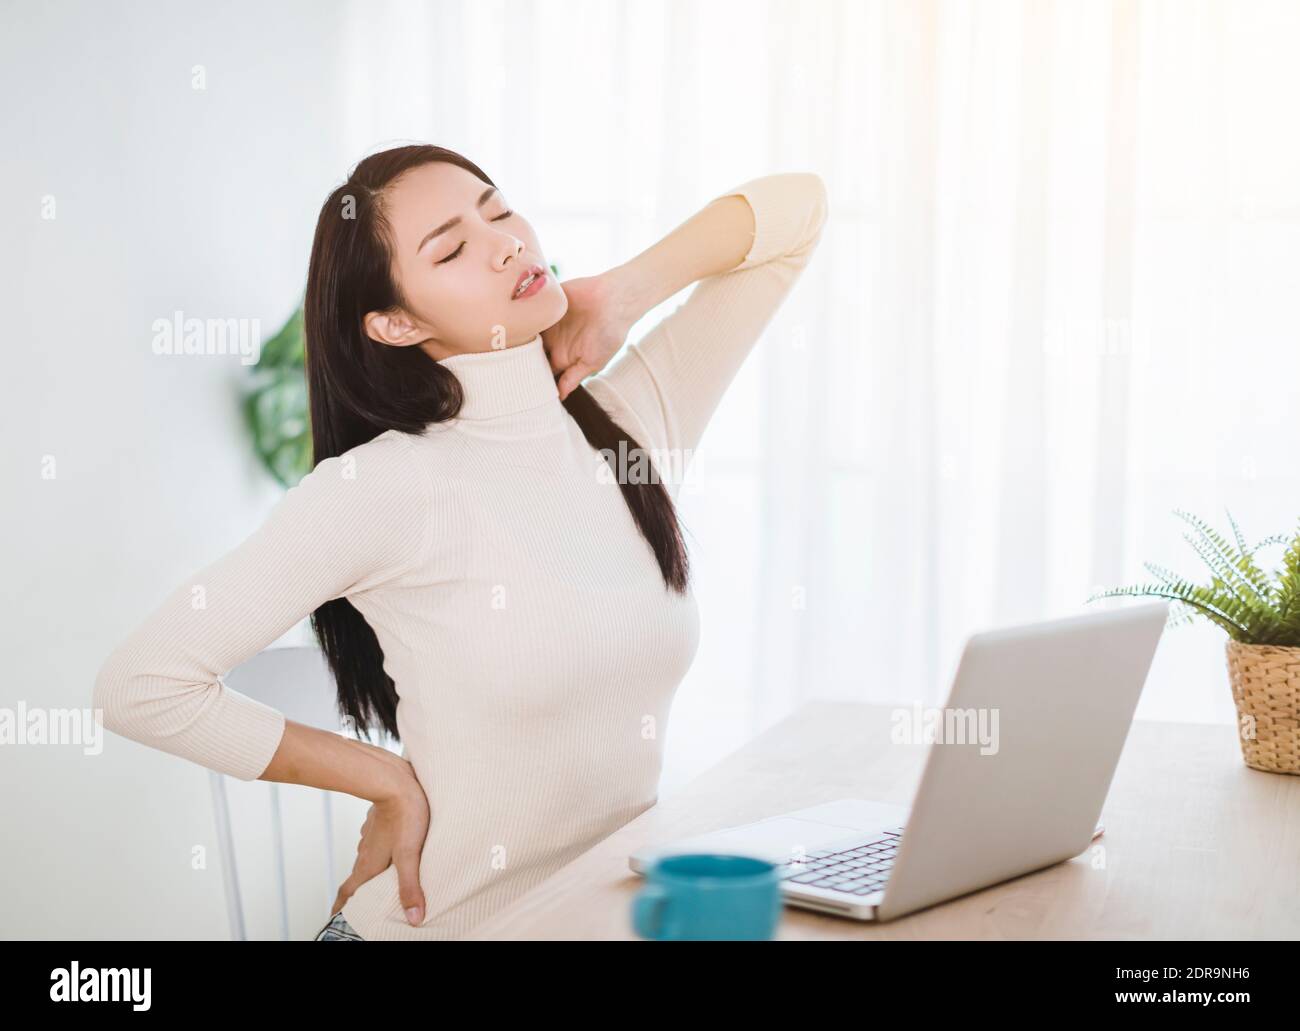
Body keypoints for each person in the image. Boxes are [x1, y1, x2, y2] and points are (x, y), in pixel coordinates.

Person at [94, 144, 828, 940]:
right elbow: (140, 684)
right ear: (398, 323)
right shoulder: (382, 487)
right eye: (450, 249)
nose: (505, 243)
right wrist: (384, 778)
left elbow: (798, 212)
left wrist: (622, 292)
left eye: (499, 209)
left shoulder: (632, 424)